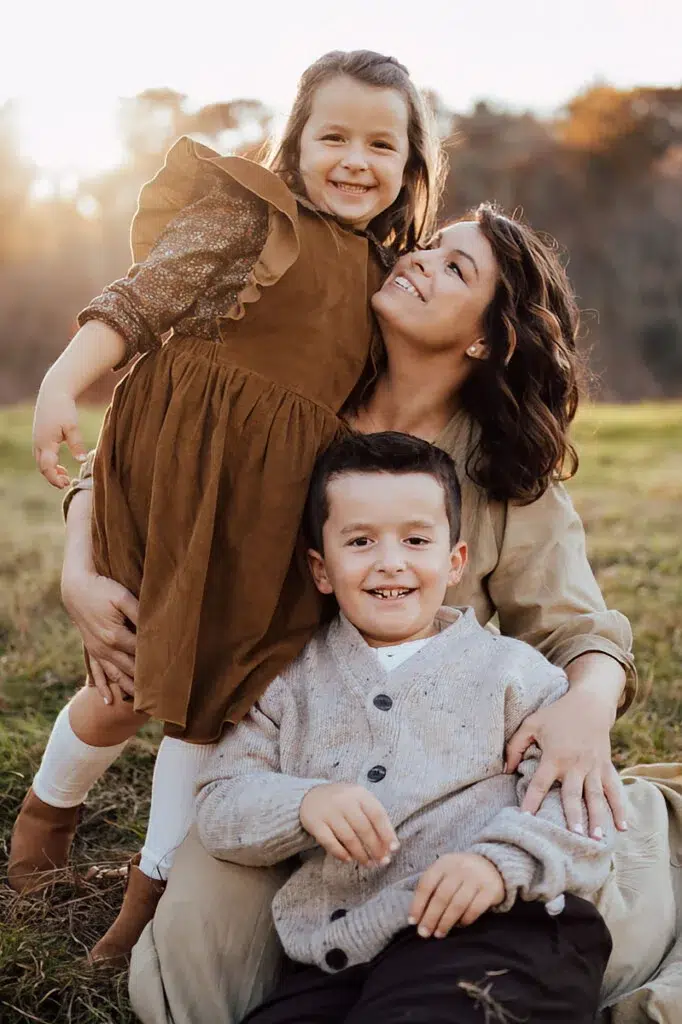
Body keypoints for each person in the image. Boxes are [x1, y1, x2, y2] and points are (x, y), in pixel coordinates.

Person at [58, 207, 652, 1022]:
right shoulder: (304, 387)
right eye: (430, 246)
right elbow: (142, 448)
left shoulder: (503, 473)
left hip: (429, 772)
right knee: (192, 971)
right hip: (269, 746)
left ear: (487, 339)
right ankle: (65, 823)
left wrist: (587, 708)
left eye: (456, 269)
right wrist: (78, 568)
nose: (420, 260)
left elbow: (577, 628)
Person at [8, 48, 444, 962]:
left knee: (212, 704)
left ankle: (151, 892)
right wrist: (60, 381)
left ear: (411, 164)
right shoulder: (254, 215)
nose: (355, 161)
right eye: (333, 136)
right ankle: (48, 813)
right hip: (172, 477)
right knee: (122, 685)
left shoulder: (387, 279)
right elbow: (138, 303)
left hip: (267, 515)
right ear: (297, 140)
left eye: (381, 144)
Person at [195, 430, 614, 1024]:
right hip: (342, 955)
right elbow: (220, 804)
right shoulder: (286, 683)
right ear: (321, 568)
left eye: (416, 540)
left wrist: (497, 865)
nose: (390, 561)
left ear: (454, 562)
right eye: (360, 541)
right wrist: (303, 803)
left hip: (500, 930)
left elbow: (581, 812)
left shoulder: (516, 675)